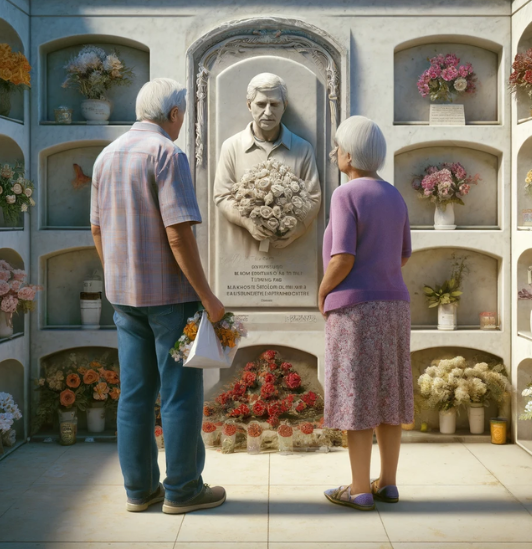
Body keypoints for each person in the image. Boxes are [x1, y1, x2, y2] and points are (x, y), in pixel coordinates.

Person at [90, 78, 226, 515]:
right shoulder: (167, 153)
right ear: (172, 114)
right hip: (172, 299)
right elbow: (178, 232)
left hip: (124, 299)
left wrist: (116, 275)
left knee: (133, 394)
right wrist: (207, 297)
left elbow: (96, 229)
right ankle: (183, 491)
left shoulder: (106, 156)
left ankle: (139, 490)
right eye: (182, 113)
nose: (182, 121)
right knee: (180, 395)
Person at [319, 116, 413, 511]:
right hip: (395, 307)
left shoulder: (346, 194)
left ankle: (358, 489)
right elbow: (404, 253)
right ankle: (388, 484)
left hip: (355, 309)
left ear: (350, 154)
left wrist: (323, 291)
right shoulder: (394, 195)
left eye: (338, 146)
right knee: (389, 396)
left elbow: (342, 257)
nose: (334, 152)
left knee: (355, 398)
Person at [213, 72, 321, 250]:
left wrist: (297, 229)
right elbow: (222, 195)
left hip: (291, 253)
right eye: (261, 104)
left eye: (275, 104)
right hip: (242, 250)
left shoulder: (303, 149)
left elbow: (313, 197)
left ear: (284, 106)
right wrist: (246, 222)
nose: (268, 112)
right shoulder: (231, 147)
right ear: (249, 105)